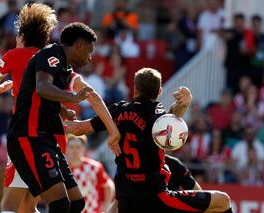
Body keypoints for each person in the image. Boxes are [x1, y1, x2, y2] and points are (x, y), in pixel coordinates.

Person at [65, 68, 233, 212]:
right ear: (159, 92)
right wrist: (184, 103)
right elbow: (170, 120)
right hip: (155, 197)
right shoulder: (157, 112)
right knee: (223, 201)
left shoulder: (116, 111)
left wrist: (58, 117)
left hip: (126, 203)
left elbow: (80, 129)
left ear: (135, 89)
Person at [6, 22, 121, 213]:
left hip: (46, 140)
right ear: (79, 46)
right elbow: (42, 88)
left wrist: (61, 110)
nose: (90, 57)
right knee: (58, 204)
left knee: (77, 204)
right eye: (89, 51)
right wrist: (73, 98)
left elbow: (39, 96)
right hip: (29, 137)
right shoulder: (51, 54)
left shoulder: (64, 68)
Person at [0, 3, 58, 212]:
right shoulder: (52, 60)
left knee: (9, 205)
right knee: (27, 206)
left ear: (22, 35)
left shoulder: (13, 55)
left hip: (23, 134)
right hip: (47, 136)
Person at [66, 134, 115, 213]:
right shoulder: (63, 169)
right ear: (66, 148)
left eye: (78, 147)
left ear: (83, 148)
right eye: (71, 147)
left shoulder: (94, 167)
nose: (74, 150)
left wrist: (106, 205)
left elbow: (108, 186)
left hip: (93, 210)